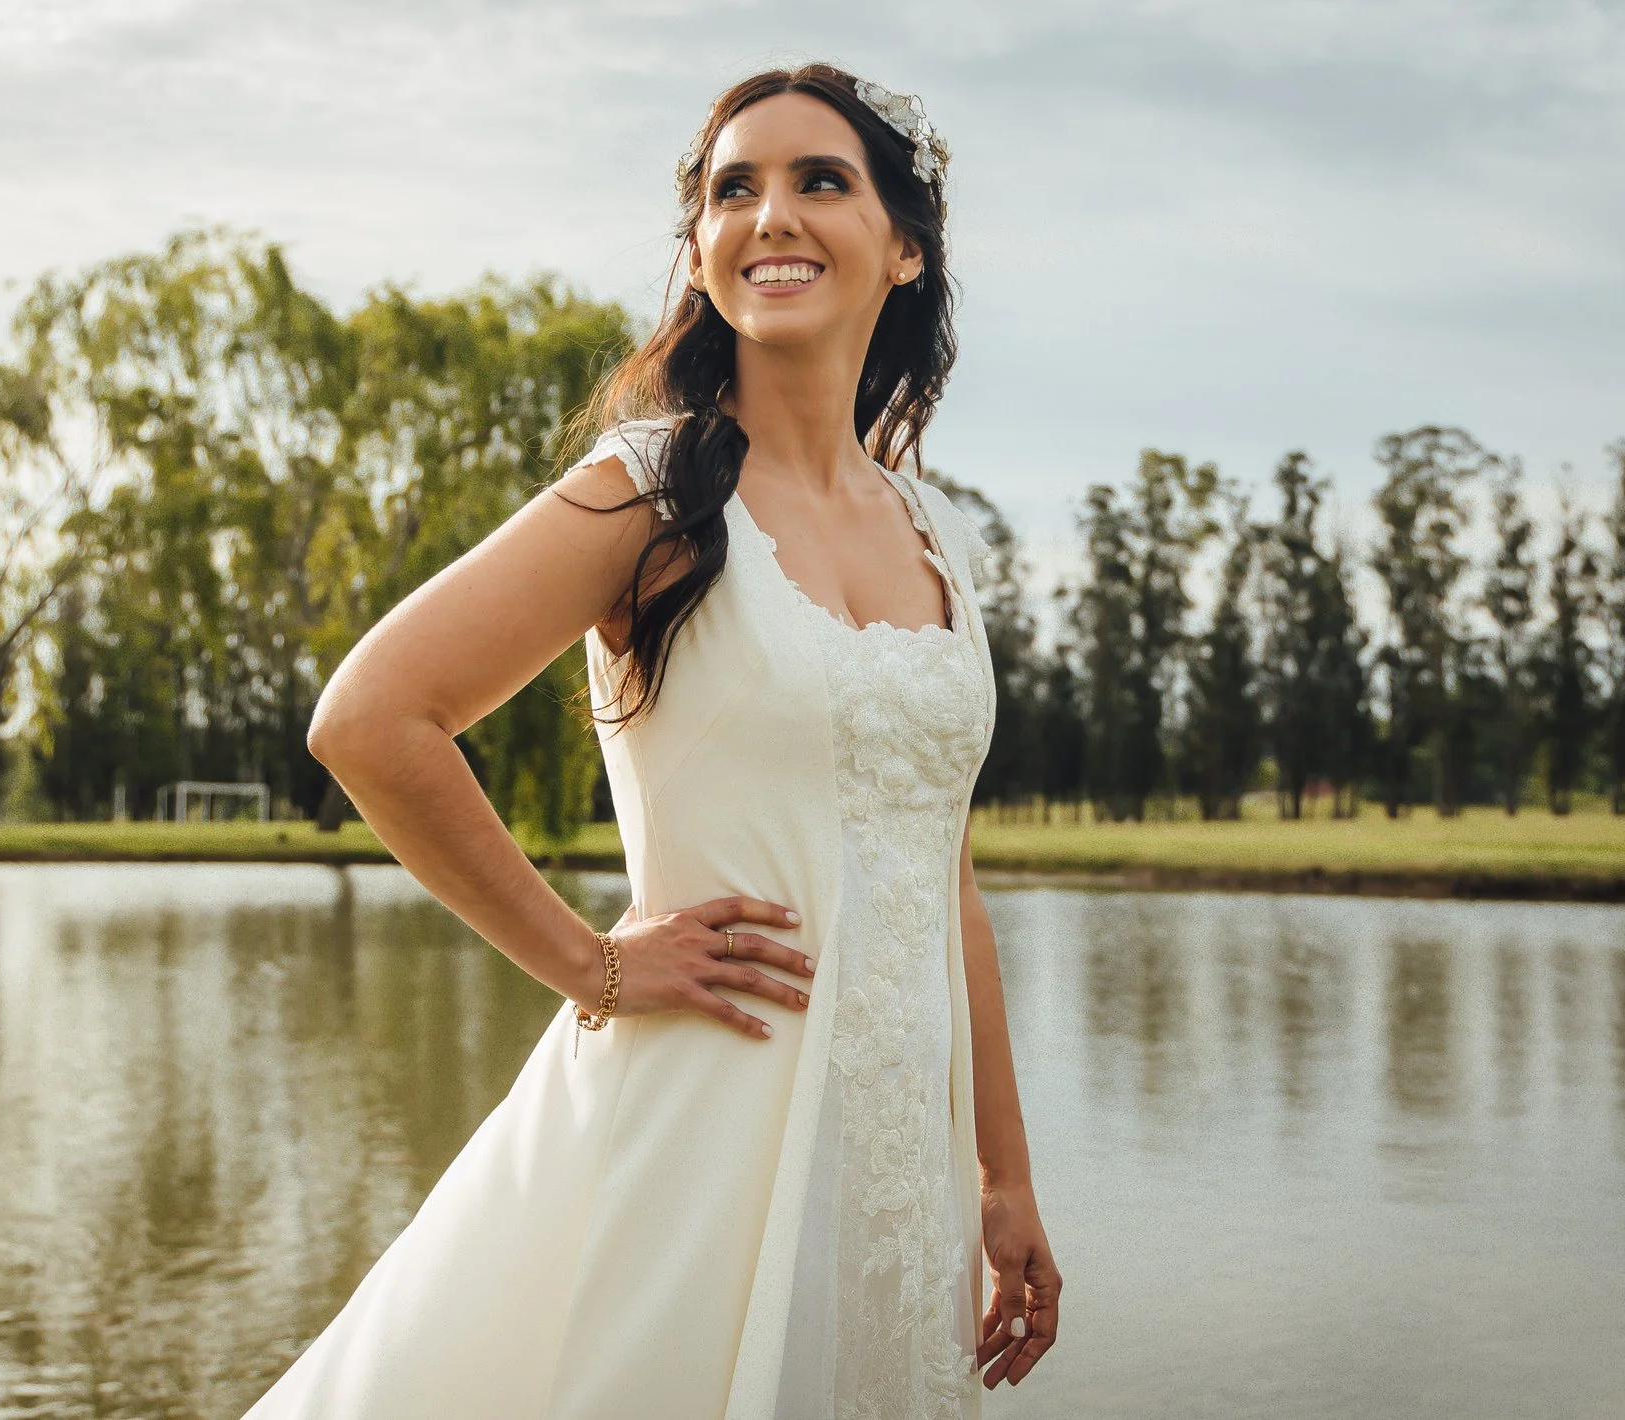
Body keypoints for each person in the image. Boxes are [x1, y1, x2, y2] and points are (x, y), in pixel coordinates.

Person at [245, 62, 1061, 1420]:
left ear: (904, 248)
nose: (770, 215)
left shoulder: (943, 540)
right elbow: (373, 721)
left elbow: (948, 883)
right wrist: (590, 964)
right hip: (702, 1110)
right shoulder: (653, 489)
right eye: (731, 188)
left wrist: (1003, 1178)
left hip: (893, 1154)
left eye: (820, 181)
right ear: (700, 248)